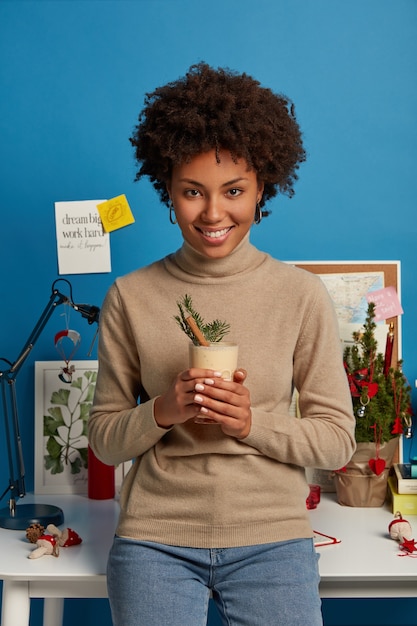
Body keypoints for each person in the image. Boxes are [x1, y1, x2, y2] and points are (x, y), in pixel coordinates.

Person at [88, 62, 355, 626]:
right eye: (192, 192)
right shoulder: (130, 297)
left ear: (263, 188)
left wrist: (249, 423)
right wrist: (163, 410)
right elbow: (106, 442)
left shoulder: (300, 295)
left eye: (233, 191)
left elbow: (336, 443)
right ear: (168, 191)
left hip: (272, 538)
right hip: (155, 539)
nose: (213, 213)